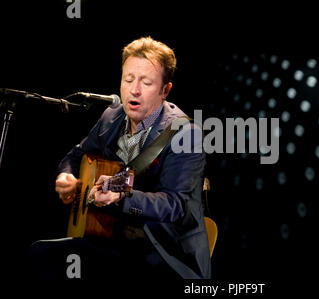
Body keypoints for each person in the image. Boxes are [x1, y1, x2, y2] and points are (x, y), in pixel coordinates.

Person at [29, 36, 211, 280]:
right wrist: (67, 176)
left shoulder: (186, 134)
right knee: (41, 253)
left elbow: (175, 205)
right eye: (128, 79)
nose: (133, 89)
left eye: (146, 82)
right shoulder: (111, 116)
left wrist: (122, 196)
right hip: (113, 240)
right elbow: (77, 154)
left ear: (165, 90)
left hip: (164, 254)